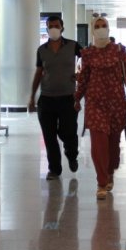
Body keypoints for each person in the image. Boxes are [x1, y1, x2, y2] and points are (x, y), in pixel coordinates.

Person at [74, 16, 126, 199]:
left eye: (104, 25)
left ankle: (109, 171)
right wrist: (77, 98)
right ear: (92, 30)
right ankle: (101, 182)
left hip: (116, 104)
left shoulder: (119, 51)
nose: (101, 28)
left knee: (113, 147)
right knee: (98, 144)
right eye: (97, 26)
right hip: (95, 104)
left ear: (109, 29)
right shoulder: (88, 54)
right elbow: (83, 79)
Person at [29, 15, 82, 180]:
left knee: (68, 132)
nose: (53, 28)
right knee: (49, 135)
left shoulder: (73, 46)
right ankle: (54, 169)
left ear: (62, 28)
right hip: (47, 99)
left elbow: (88, 60)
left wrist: (80, 74)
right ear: (46, 28)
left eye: (56, 26)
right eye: (50, 26)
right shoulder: (42, 50)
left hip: (68, 98)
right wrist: (32, 96)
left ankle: (71, 155)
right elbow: (39, 73)